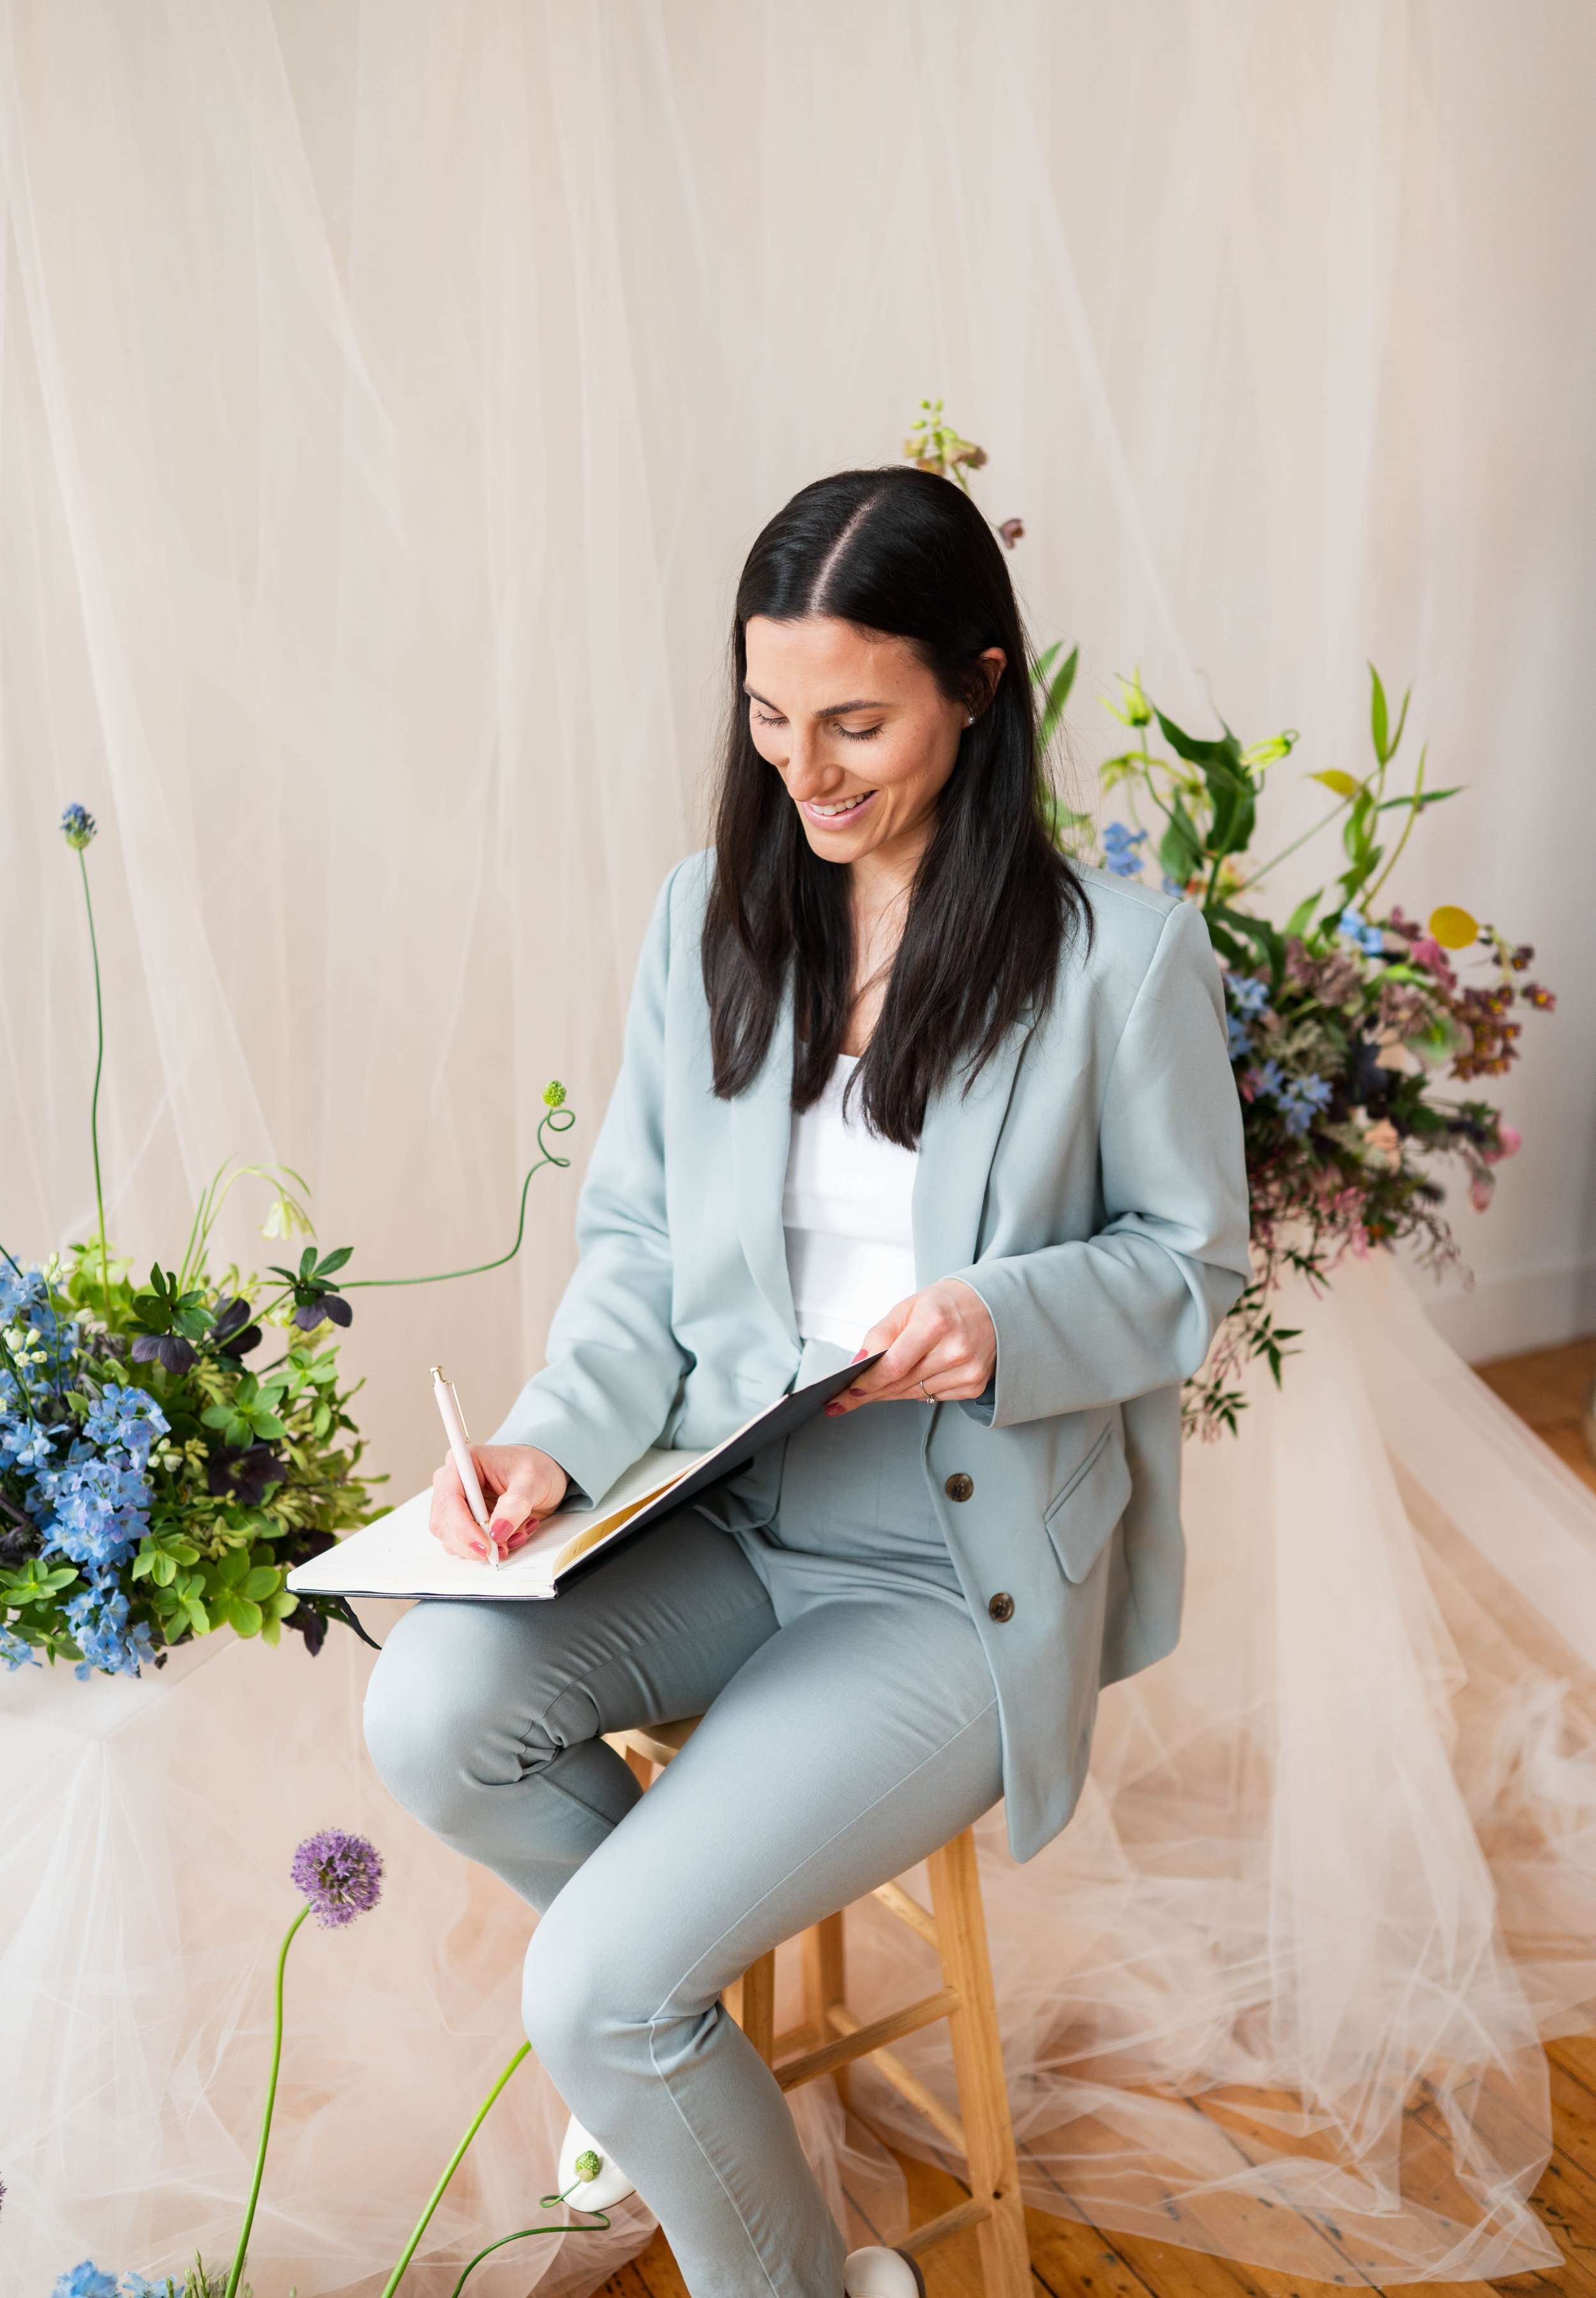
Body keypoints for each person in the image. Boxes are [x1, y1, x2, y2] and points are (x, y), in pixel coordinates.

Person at [363, 465, 1249, 2298]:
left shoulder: (1116, 957)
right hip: (718, 1505)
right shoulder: (711, 915)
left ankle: (693, 2114)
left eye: (856, 720)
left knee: (596, 1990)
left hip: (944, 1565)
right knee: (427, 1714)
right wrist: (541, 1445)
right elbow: (630, 1252)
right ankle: (676, 2060)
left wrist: (1006, 1315)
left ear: (979, 686)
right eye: (771, 720)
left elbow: (1189, 1266)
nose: (808, 769)